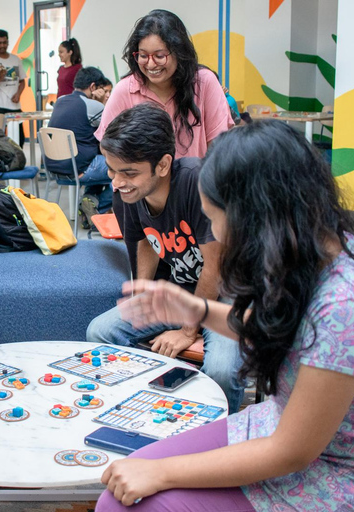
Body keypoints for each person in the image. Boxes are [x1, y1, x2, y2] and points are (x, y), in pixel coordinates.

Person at [96, 119, 354, 511]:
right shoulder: (308, 248)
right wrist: (194, 308)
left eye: (215, 218)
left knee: (130, 499)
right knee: (127, 474)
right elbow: (273, 327)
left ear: (257, 216)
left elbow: (290, 453)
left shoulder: (346, 308)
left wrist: (164, 473)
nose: (215, 232)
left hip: (346, 473)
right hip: (284, 426)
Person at [86, 104, 244, 414]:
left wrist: (187, 332)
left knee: (222, 371)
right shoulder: (127, 193)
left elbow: (216, 267)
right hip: (178, 293)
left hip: (226, 299)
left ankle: (219, 440)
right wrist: (143, 294)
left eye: (129, 172)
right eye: (111, 169)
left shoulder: (197, 183)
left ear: (163, 164)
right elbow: (145, 241)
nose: (116, 182)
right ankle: (141, 407)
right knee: (100, 331)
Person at [94, 10, 233, 158]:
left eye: (160, 56)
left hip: (194, 179)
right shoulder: (125, 90)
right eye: (143, 55)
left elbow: (219, 145)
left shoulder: (204, 82)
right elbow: (107, 145)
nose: (151, 64)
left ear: (179, 53)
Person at [46, 66, 113, 224]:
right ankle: (98, 207)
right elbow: (113, 128)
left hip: (54, 168)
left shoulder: (60, 101)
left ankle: (89, 201)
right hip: (78, 169)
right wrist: (101, 101)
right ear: (93, 87)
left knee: (99, 162)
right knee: (123, 168)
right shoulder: (92, 106)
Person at [0, 29, 26, 145]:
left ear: (8, 42)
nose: (2, 45)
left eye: (4, 42)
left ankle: (17, 162)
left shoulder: (16, 59)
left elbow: (22, 81)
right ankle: (1, 163)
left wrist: (18, 94)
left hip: (14, 106)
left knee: (19, 140)